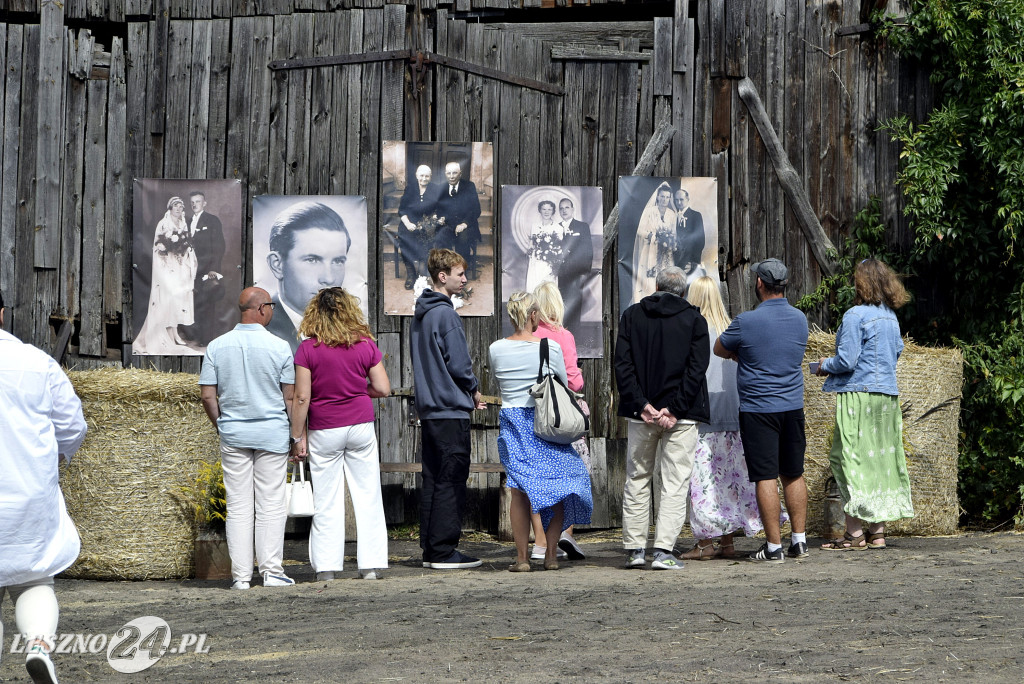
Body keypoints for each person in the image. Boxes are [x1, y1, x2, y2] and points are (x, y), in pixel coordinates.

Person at [0, 288, 88, 684]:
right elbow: (72, 426)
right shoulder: (36, 362)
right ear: (1, 315)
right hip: (29, 488)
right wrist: (57, 457)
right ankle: (38, 646)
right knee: (34, 577)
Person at [681, 276, 788, 561]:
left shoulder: (692, 330)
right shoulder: (733, 328)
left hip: (703, 415)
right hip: (736, 414)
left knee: (703, 481)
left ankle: (705, 543)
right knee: (728, 480)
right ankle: (727, 541)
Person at [290, 288, 391, 579]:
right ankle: (370, 567)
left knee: (327, 499)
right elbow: (383, 388)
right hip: (360, 425)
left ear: (315, 313)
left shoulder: (307, 349)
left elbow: (301, 398)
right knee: (368, 495)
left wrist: (297, 437)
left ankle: (327, 569)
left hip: (325, 429)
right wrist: (359, 391)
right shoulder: (365, 344)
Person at [199, 287, 296, 589]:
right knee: (270, 503)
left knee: (239, 505)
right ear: (263, 309)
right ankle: (271, 572)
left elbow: (207, 395)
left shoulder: (217, 346)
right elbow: (290, 398)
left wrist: (221, 424)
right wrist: (297, 434)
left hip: (234, 433)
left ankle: (241, 577)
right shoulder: (280, 348)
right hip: (272, 433)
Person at [489, 291, 593, 572]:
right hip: (544, 421)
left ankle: (522, 558)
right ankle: (550, 556)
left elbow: (500, 380)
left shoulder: (496, 348)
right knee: (558, 486)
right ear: (534, 315)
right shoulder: (550, 348)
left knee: (519, 490)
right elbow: (562, 384)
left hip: (512, 421)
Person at [714, 258, 810, 563]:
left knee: (766, 476)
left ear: (759, 284)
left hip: (758, 409)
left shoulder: (746, 321)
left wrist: (740, 356)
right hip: (792, 405)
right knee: (793, 473)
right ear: (784, 285)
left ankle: (773, 547)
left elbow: (719, 348)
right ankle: (800, 540)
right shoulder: (800, 319)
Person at [614, 266, 710, 570]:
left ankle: (634, 549)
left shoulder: (632, 316)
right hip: (679, 417)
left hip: (643, 414)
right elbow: (696, 370)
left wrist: (642, 405)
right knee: (675, 482)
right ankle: (664, 551)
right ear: (683, 291)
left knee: (637, 479)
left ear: (656, 286)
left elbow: (623, 366)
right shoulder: (695, 320)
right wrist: (676, 408)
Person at [816, 258, 914, 550]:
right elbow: (896, 352)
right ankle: (878, 532)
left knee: (847, 459)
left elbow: (846, 361)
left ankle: (854, 533)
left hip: (858, 396)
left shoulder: (854, 315)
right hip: (887, 397)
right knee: (881, 462)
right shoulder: (890, 317)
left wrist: (823, 365)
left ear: (861, 283)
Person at [411, 248, 487, 569]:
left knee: (432, 479)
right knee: (451, 480)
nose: (465, 278)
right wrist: (473, 388)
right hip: (450, 411)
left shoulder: (422, 316)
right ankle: (443, 551)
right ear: (443, 277)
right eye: (460, 273)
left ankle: (431, 551)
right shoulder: (446, 315)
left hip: (429, 412)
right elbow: (458, 363)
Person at [531, 281, 589, 561]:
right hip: (562, 416)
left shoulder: (527, 336)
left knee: (537, 478)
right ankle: (566, 534)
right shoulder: (563, 336)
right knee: (570, 474)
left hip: (534, 415)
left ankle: (539, 543)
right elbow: (573, 381)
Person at [265, 201, 351, 352]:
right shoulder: (264, 334)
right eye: (312, 260)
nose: (329, 279)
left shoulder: (349, 330)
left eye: (337, 261)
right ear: (277, 264)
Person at [134, 196, 198, 354]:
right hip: (166, 267)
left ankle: (174, 332)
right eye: (175, 206)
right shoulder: (163, 223)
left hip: (180, 265)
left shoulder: (183, 223)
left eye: (181, 207)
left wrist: (184, 249)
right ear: (170, 208)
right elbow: (157, 247)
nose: (178, 209)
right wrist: (167, 249)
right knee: (167, 299)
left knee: (177, 299)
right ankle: (166, 334)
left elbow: (186, 243)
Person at [184, 190, 226, 346]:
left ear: (204, 203)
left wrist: (213, 269)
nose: (195, 205)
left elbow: (219, 246)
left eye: (198, 202)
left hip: (207, 270)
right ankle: (194, 336)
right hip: (189, 271)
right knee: (192, 303)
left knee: (207, 305)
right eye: (192, 202)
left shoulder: (212, 220)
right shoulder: (186, 222)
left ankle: (206, 339)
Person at [631, 183, 678, 304]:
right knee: (649, 277)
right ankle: (648, 301)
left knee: (665, 277)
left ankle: (664, 303)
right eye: (662, 196)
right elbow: (640, 231)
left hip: (665, 252)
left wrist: (671, 241)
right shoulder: (649, 211)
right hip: (650, 251)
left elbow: (673, 233)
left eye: (667, 197)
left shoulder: (672, 214)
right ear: (657, 197)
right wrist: (652, 235)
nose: (664, 200)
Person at [398, 165, 442, 290]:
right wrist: (407, 223)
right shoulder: (410, 189)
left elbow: (439, 208)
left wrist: (433, 218)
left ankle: (423, 271)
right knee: (405, 238)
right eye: (421, 175)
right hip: (410, 223)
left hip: (426, 225)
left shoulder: (435, 189)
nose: (424, 178)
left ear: (430, 177)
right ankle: (411, 274)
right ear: (417, 176)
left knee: (427, 238)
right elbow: (402, 210)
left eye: (427, 176)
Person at [435, 161, 482, 276]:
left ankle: (461, 272)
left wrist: (464, 224)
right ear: (445, 174)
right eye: (449, 173)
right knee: (440, 237)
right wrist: (440, 218)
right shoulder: (441, 188)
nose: (451, 176)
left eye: (454, 173)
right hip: (448, 225)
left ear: (460, 174)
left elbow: (476, 209)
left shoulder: (469, 186)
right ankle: (446, 269)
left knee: (463, 238)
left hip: (466, 225)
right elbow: (439, 208)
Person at [556, 197, 594, 334]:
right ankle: (561, 332)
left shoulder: (582, 226)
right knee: (560, 302)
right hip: (559, 273)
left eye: (567, 207)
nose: (564, 210)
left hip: (577, 272)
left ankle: (574, 334)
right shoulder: (556, 227)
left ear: (572, 209)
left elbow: (588, 250)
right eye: (561, 208)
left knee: (575, 303)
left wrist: (585, 272)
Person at [525, 200, 563, 292]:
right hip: (535, 261)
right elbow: (531, 245)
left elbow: (559, 248)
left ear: (553, 211)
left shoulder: (558, 228)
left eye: (549, 209)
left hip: (550, 263)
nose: (546, 212)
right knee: (534, 285)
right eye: (544, 209)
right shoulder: (535, 226)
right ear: (540, 210)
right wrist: (530, 252)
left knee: (548, 288)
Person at [673, 189, 705, 276]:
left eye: (681, 199)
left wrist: (693, 263)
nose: (679, 202)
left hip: (688, 262)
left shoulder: (696, 215)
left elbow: (700, 241)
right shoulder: (672, 216)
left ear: (687, 199)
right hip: (673, 261)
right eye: (676, 200)